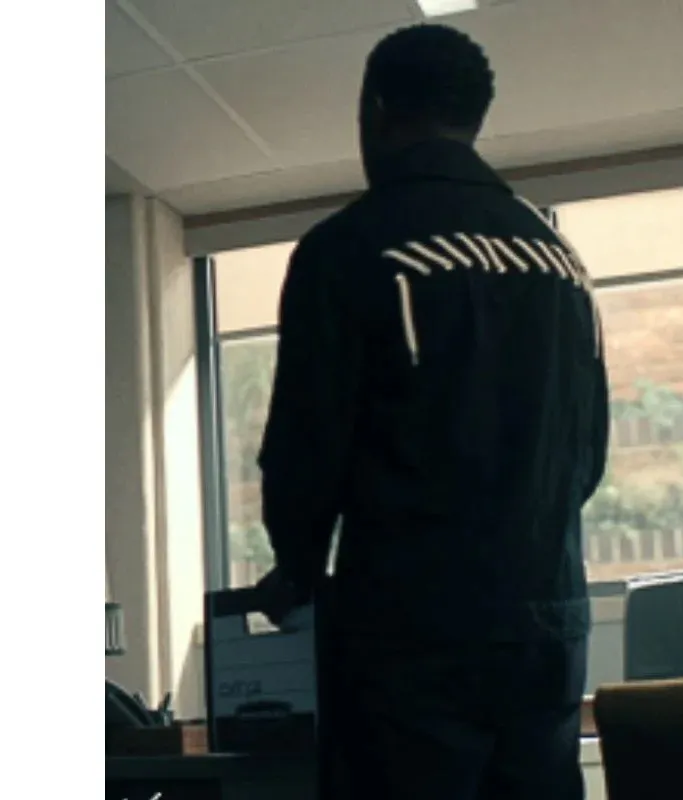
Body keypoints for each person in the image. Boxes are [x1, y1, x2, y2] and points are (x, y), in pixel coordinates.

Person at [254, 23, 610, 800]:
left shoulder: (348, 248)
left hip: (412, 628)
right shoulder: (561, 261)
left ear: (375, 109)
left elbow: (307, 443)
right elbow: (587, 452)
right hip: (547, 620)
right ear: (475, 117)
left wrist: (298, 566)